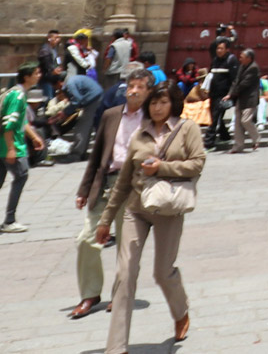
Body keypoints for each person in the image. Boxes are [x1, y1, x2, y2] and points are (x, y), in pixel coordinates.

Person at [95, 84, 203, 354]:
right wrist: (105, 220)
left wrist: (162, 167)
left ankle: (181, 311)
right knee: (125, 273)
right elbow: (122, 182)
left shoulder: (187, 128)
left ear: (173, 103)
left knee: (163, 272)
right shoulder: (139, 135)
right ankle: (116, 347)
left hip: (169, 208)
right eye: (153, 102)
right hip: (136, 208)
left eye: (163, 102)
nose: (157, 107)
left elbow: (198, 163)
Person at [69, 66, 152, 320]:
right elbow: (96, 156)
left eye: (140, 87)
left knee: (126, 246)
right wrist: (84, 189)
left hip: (135, 187)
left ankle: (121, 294)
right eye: (131, 86)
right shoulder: (110, 115)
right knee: (86, 239)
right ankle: (90, 293)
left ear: (149, 92)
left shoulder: (153, 119)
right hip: (106, 184)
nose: (133, 91)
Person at [0, 62, 42, 232]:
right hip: (12, 144)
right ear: (27, 77)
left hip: (0, 145)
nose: (39, 76)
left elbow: (21, 121)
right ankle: (9, 220)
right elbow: (9, 123)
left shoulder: (15, 93)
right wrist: (11, 148)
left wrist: (34, 136)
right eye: (36, 73)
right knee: (21, 177)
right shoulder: (18, 96)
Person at [204, 40, 237, 146]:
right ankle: (225, 136)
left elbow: (234, 80)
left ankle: (208, 143)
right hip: (213, 94)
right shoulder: (215, 60)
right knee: (216, 116)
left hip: (223, 95)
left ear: (227, 49)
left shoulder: (231, 60)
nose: (218, 51)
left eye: (221, 48)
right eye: (217, 48)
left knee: (214, 117)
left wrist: (230, 94)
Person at [230, 48, 262, 153]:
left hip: (249, 99)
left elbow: (245, 83)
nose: (240, 59)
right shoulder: (242, 66)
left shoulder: (254, 68)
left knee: (245, 120)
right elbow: (236, 81)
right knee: (237, 123)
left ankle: (256, 137)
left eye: (242, 57)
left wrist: (232, 93)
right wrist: (230, 93)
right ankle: (238, 146)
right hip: (240, 98)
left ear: (249, 58)